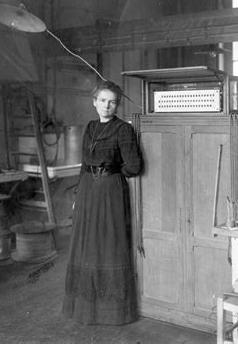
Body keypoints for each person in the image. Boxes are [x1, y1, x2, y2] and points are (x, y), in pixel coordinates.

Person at [62, 80, 142, 325]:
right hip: (87, 190)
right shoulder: (90, 127)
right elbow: (85, 164)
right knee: (86, 246)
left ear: (116, 105)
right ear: (94, 102)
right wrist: (78, 196)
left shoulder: (123, 130)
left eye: (113, 102)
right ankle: (84, 309)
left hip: (109, 192)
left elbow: (135, 166)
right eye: (103, 100)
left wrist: (110, 173)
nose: (107, 106)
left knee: (107, 245)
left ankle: (110, 313)